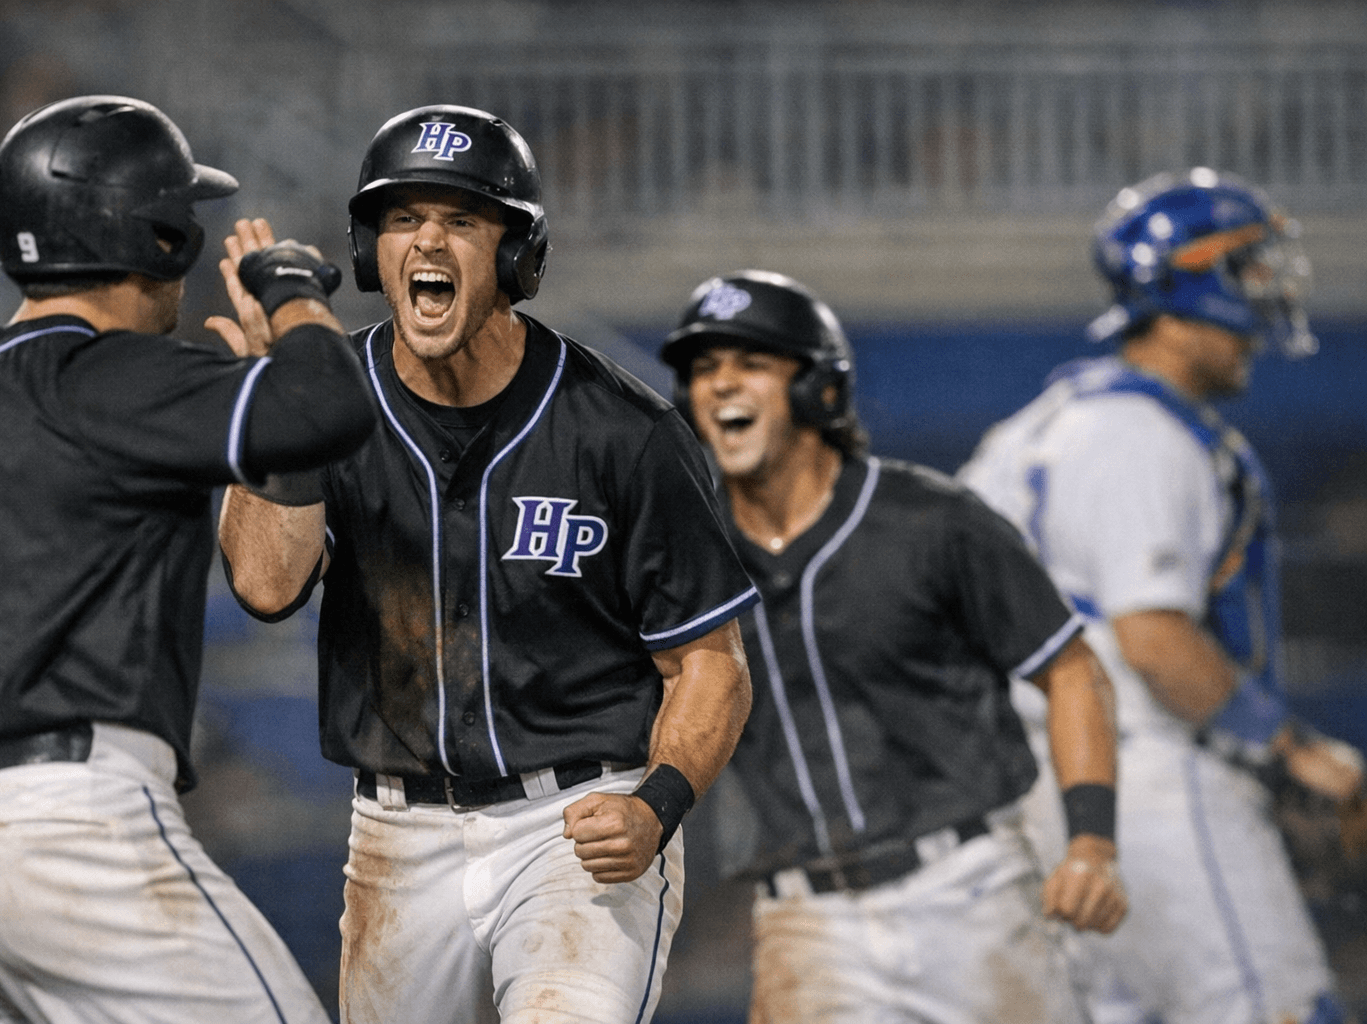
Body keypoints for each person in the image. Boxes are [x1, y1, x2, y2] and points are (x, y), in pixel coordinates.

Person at [0, 94, 379, 1023]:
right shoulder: (116, 377)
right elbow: (327, 406)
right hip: (70, 823)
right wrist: (292, 289)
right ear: (158, 236)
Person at [217, 104, 758, 1024]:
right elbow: (266, 586)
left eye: (461, 220)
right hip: (394, 834)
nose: (427, 239)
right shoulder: (330, 400)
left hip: (576, 823)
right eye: (401, 219)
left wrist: (659, 803)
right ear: (370, 252)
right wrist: (288, 415)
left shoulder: (623, 434)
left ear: (517, 258)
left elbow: (711, 664)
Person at [660, 269, 1128, 1024]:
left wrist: (1093, 846)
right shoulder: (685, 556)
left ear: (820, 390)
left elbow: (1073, 672)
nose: (721, 386)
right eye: (704, 370)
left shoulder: (932, 521)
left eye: (750, 363)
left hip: (968, 894)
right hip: (803, 923)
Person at [960, 167, 1365, 1024]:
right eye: (1249, 270)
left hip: (1026, 790)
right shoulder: (1139, 434)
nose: (1265, 295)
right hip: (1141, 775)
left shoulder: (1027, 430)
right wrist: (1285, 749)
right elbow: (1151, 638)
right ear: (1194, 279)